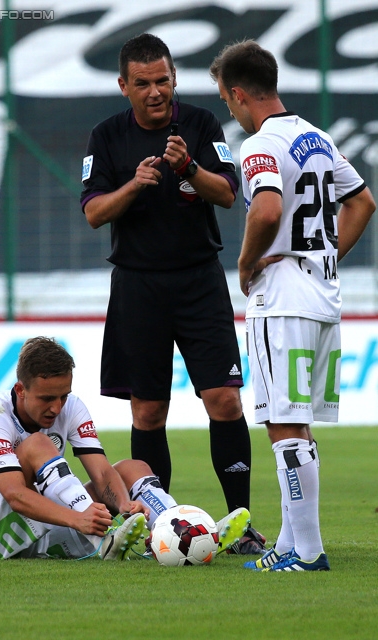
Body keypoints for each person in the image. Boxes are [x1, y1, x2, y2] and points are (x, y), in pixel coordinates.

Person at [80, 33, 264, 554]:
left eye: (164, 80)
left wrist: (188, 168)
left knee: (224, 399)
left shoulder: (202, 125)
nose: (156, 91)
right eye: (143, 83)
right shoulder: (107, 136)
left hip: (199, 282)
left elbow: (229, 194)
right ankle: (164, 524)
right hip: (138, 286)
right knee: (147, 413)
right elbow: (93, 211)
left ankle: (240, 522)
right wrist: (134, 186)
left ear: (174, 78)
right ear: (124, 86)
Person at [209, 40, 376, 571]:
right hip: (323, 295)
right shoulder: (319, 138)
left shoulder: (259, 145)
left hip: (281, 297)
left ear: (238, 93)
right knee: (297, 424)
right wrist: (324, 255)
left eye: (226, 100)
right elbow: (363, 201)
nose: (228, 110)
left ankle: (306, 552)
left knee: (282, 424)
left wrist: (245, 262)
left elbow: (266, 209)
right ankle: (288, 543)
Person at [0, 336, 250, 561]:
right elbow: (15, 495)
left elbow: (102, 472)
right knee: (38, 444)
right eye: (47, 398)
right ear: (20, 390)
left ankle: (184, 531)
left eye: (63, 395)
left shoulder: (71, 407)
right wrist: (80, 518)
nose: (57, 407)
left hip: (39, 523)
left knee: (132, 469)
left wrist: (126, 507)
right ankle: (100, 533)